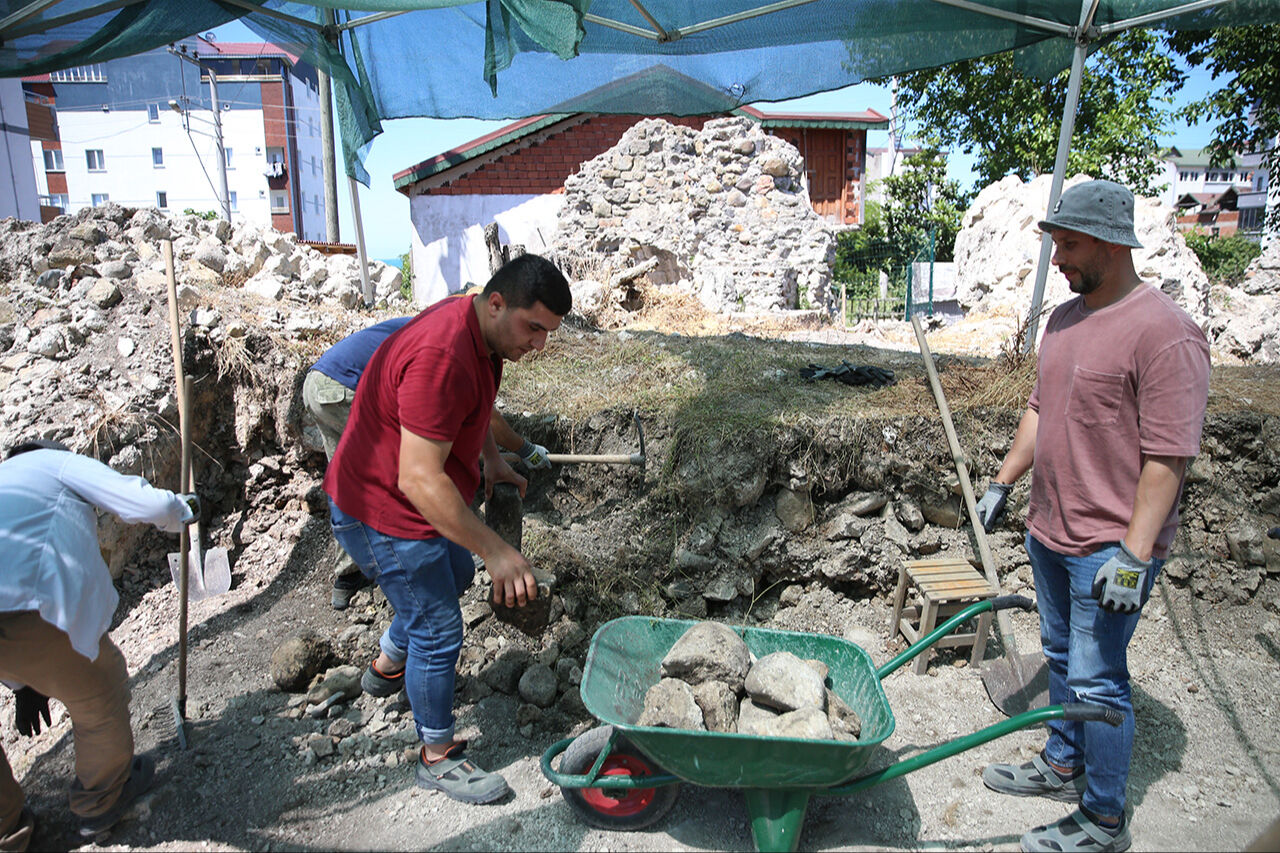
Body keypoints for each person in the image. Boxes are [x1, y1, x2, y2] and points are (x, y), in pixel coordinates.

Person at [974, 180, 1211, 853]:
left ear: (1111, 241)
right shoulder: (1065, 321)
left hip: (1109, 545)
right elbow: (1040, 409)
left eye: (1070, 244)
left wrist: (1135, 556)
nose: (1060, 259)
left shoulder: (1165, 333)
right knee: (1059, 655)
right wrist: (1002, 482)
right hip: (1050, 528)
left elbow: (1169, 456)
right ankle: (1061, 762)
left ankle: (1105, 818)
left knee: (1098, 674)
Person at [323, 253, 571, 805]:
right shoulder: (441, 353)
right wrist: (498, 552)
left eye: (547, 333)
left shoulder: (481, 336)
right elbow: (416, 477)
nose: (539, 345)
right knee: (438, 626)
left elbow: (473, 411)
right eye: (534, 328)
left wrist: (492, 462)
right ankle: (436, 757)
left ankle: (387, 666)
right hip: (380, 509)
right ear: (497, 302)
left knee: (453, 573)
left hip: (412, 502)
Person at [0, 440, 199, 850]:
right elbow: (145, 505)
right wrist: (182, 510)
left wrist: (21, 684)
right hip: (28, 607)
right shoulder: (54, 463)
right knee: (98, 693)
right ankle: (99, 803)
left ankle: (4, 829)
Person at [303, 315, 553, 609]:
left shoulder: (439, 329)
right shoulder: (449, 346)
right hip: (348, 387)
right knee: (409, 473)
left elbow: (479, 407)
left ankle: (347, 577)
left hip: (320, 383)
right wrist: (524, 449)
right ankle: (413, 572)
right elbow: (487, 417)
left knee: (350, 481)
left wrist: (493, 457)